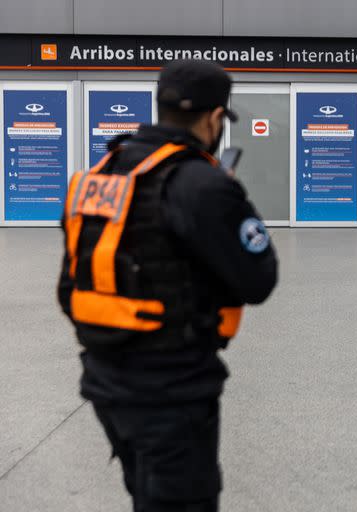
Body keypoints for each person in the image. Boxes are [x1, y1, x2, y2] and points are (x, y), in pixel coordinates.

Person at [57, 60, 278, 511]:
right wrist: (231, 201)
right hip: (172, 393)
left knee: (146, 494)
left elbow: (71, 286)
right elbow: (258, 279)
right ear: (215, 118)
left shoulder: (102, 172)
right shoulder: (203, 184)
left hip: (104, 382)